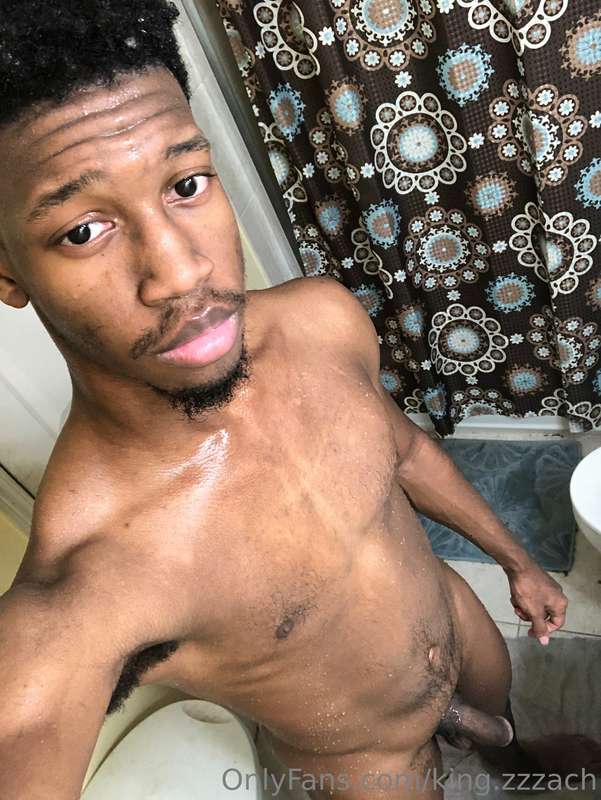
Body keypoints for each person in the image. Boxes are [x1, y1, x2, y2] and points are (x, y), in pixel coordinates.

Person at [0, 2, 588, 798]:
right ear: (8, 271)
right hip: (368, 761)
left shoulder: (321, 320)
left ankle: (516, 764)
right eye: (82, 231)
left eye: (186, 184)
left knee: (507, 734)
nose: (179, 272)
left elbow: (406, 451)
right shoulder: (89, 577)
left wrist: (516, 562)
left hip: (457, 628)